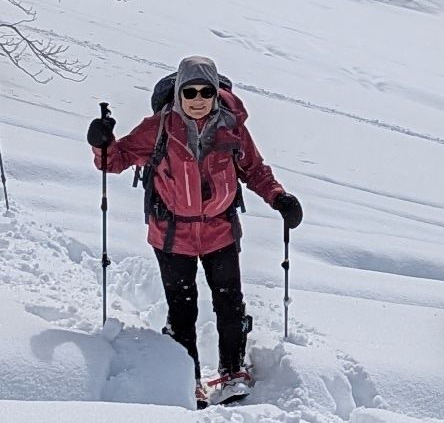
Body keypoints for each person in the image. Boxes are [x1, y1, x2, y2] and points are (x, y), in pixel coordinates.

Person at [89, 55, 300, 404]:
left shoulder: (232, 128)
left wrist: (279, 198)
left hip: (221, 231)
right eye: (190, 92)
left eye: (206, 92)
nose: (198, 99)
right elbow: (116, 160)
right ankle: (189, 379)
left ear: (216, 94)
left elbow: (255, 169)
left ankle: (233, 371)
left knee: (230, 304)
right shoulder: (157, 128)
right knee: (182, 310)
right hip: (172, 235)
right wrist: (102, 142)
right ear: (179, 95)